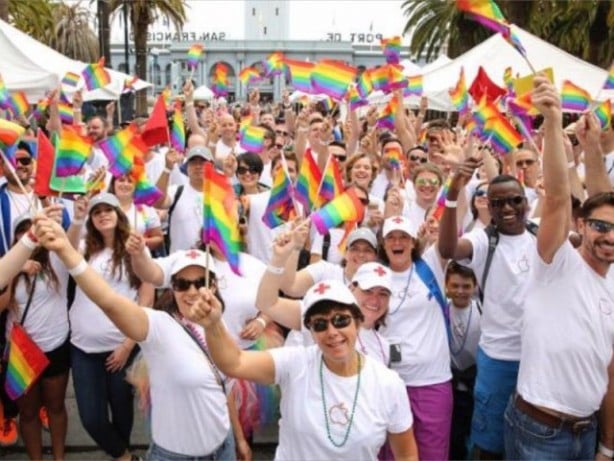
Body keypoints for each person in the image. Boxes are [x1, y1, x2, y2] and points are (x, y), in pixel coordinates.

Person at [32, 215, 247, 460]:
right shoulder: (158, 326)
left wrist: (239, 439)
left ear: (214, 285)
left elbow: (224, 390)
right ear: (171, 288)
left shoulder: (220, 327)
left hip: (223, 448)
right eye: (181, 283)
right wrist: (66, 251)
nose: (192, 291)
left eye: (200, 282)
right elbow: (109, 301)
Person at [504, 78, 614, 460]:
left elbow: (603, 201)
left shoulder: (613, 278)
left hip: (587, 434)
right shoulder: (556, 261)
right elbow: (555, 199)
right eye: (599, 227)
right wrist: (552, 122)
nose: (609, 236)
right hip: (540, 432)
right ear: (581, 225)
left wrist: (607, 444)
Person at [197, 276, 418, 460]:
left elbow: (406, 455)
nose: (332, 332)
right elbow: (234, 362)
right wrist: (213, 324)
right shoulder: (295, 364)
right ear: (310, 331)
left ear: (358, 322)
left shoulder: (388, 383)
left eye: (341, 320)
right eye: (320, 324)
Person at [438, 155, 535, 459]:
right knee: (490, 441)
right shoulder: (483, 240)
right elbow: (449, 249)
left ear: (526, 203)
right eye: (498, 202)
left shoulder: (540, 233)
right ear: (488, 207)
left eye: (514, 200)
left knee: (532, 442)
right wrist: (453, 195)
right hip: (497, 359)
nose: (507, 208)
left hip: (539, 358)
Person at [66, 193, 153, 461]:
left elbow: (147, 296)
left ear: (119, 214)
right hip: (83, 348)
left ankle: (120, 454)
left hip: (121, 348)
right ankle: (126, 457)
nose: (103, 214)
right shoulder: (82, 246)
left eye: (108, 210)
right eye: (97, 212)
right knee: (92, 418)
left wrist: (128, 345)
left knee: (122, 412)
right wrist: (78, 217)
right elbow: (64, 248)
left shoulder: (134, 247)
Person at [378, 215, 451, 461]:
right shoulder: (375, 275)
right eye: (391, 237)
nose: (397, 242)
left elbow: (451, 230)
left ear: (413, 242)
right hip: (389, 382)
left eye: (403, 237)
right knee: (392, 454)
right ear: (383, 243)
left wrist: (454, 194)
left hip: (432, 381)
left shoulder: (431, 264)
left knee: (432, 453)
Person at [0, 214, 70, 460]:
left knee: (56, 407)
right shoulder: (7, 266)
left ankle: (59, 458)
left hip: (55, 346)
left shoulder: (58, 260)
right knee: (28, 413)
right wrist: (16, 269)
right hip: (21, 352)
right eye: (24, 231)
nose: (30, 235)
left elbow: (73, 241)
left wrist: (77, 218)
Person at [445, 261, 481, 461]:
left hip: (475, 385)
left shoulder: (483, 309)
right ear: (446, 286)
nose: (460, 291)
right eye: (455, 286)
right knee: (454, 439)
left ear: (475, 286)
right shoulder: (440, 309)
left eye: (466, 286)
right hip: (451, 387)